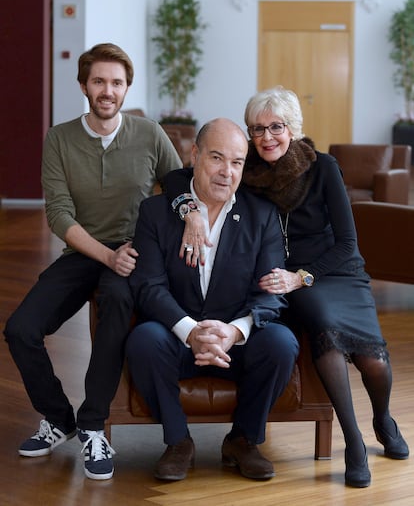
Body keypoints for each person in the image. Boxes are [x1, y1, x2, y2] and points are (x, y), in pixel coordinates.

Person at [167, 87, 409, 489]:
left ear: (292, 129)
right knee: (326, 338)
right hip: (287, 279)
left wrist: (302, 277)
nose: (266, 137)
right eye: (257, 129)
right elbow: (178, 176)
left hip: (336, 271)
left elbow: (348, 243)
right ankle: (353, 443)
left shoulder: (324, 167)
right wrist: (189, 210)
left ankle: (382, 419)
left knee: (374, 364)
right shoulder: (247, 171)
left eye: (276, 127)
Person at [4, 43, 182, 480]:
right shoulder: (60, 138)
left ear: (126, 89)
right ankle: (58, 418)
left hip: (134, 253)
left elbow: (178, 185)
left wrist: (191, 216)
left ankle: (91, 424)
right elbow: (59, 213)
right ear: (83, 85)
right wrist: (106, 254)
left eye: (116, 83)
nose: (108, 90)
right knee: (20, 329)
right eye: (99, 81)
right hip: (84, 251)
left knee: (117, 304)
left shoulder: (149, 133)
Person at [126, 118, 299, 482]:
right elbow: (148, 286)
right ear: (194, 155)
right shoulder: (156, 213)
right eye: (216, 158)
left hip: (233, 342)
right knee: (143, 340)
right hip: (178, 336)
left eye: (236, 163)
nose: (226, 172)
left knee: (281, 343)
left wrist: (233, 331)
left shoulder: (262, 215)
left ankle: (243, 440)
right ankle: (178, 442)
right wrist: (190, 331)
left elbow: (271, 294)